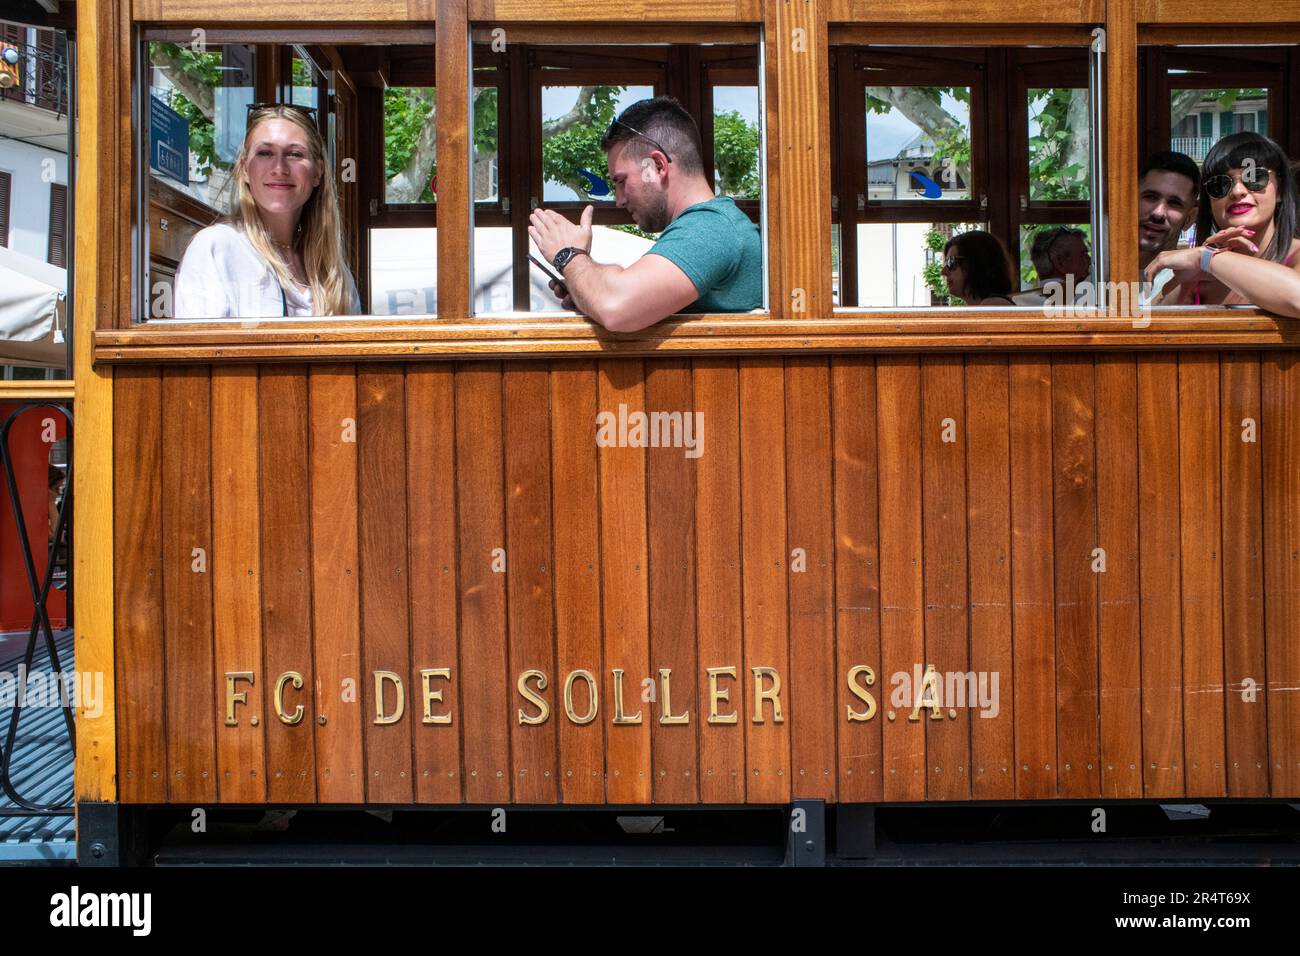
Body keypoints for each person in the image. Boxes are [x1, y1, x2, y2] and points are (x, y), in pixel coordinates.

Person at [527, 96, 762, 332]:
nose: (619, 201)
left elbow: (616, 306)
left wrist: (569, 257)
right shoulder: (710, 225)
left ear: (658, 166)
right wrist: (585, 291)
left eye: (621, 180)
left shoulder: (710, 228)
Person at [174, 103, 361, 319]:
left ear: (318, 172)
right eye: (265, 153)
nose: (279, 169)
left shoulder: (334, 274)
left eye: (294, 154)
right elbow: (199, 350)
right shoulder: (216, 248)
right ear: (244, 168)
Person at [1148, 132, 1300, 316]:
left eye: (1254, 178)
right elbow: (1148, 330)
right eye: (1220, 184)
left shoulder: (1296, 255)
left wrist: (1206, 258)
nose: (1237, 191)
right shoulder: (1202, 270)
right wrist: (1185, 285)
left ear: (1280, 190)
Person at [1138, 150, 1200, 273]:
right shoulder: (1099, 271)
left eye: (1174, 203)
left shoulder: (1191, 284)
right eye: (1150, 197)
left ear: (1189, 219)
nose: (1158, 213)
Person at [1014, 226, 1092, 306]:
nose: (1090, 260)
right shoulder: (1088, 295)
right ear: (1060, 263)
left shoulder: (1019, 303)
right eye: (1083, 254)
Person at [940, 230, 1016, 306]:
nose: (943, 271)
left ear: (976, 263)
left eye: (951, 262)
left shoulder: (993, 305)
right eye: (946, 263)